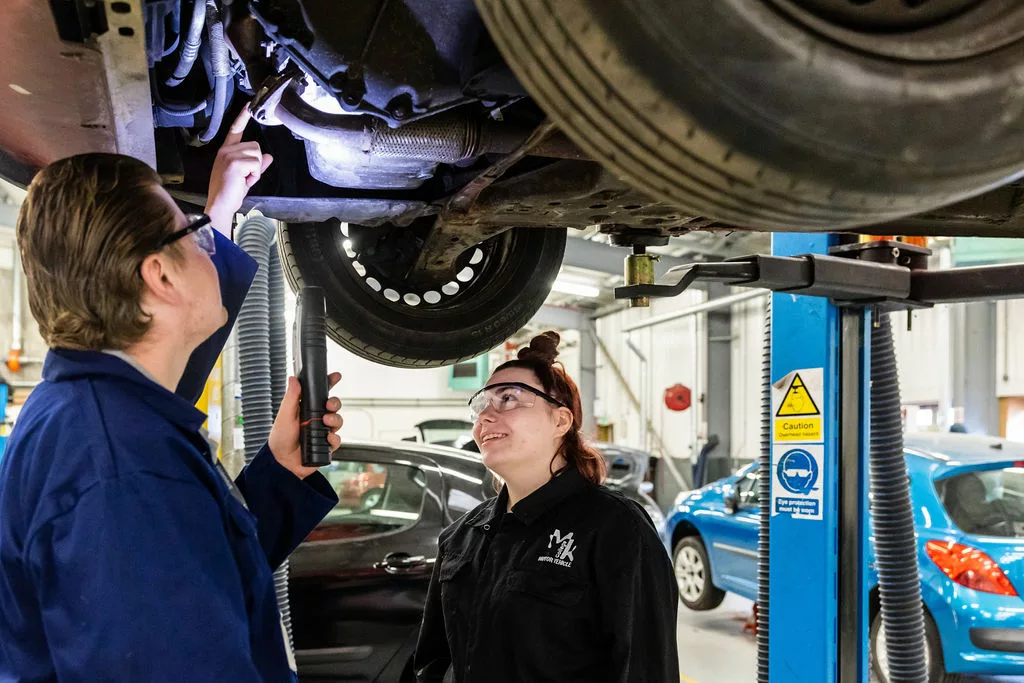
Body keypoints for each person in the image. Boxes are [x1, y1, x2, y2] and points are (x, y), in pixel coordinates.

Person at [0, 107, 344, 681]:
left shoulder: (93, 417)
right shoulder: (123, 470)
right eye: (193, 233)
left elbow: (201, 568)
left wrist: (282, 470)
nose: (209, 246)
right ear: (159, 277)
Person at [414, 331, 679, 683]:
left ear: (561, 421)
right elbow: (433, 662)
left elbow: (646, 668)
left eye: (508, 399)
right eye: (480, 406)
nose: (485, 419)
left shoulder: (615, 529)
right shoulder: (461, 537)